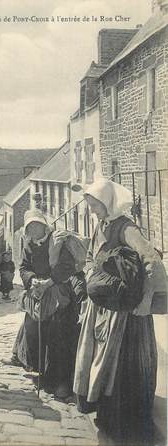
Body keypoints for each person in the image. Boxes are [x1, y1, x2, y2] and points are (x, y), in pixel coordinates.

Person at [73, 178, 158, 446]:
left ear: (107, 203)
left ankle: (125, 425)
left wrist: (147, 299)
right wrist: (90, 274)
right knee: (101, 362)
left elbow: (152, 260)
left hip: (125, 313)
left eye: (95, 205)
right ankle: (107, 415)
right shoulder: (102, 226)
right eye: (90, 205)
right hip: (103, 308)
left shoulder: (127, 227)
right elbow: (89, 255)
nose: (92, 210)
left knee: (122, 366)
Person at [6, 209, 87, 400]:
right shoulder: (28, 245)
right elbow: (24, 267)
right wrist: (32, 280)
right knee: (34, 331)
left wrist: (49, 282)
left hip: (59, 293)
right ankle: (42, 373)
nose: (35, 230)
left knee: (58, 337)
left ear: (44, 225)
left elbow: (67, 267)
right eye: (30, 227)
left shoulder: (57, 241)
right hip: (38, 294)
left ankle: (62, 382)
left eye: (38, 225)